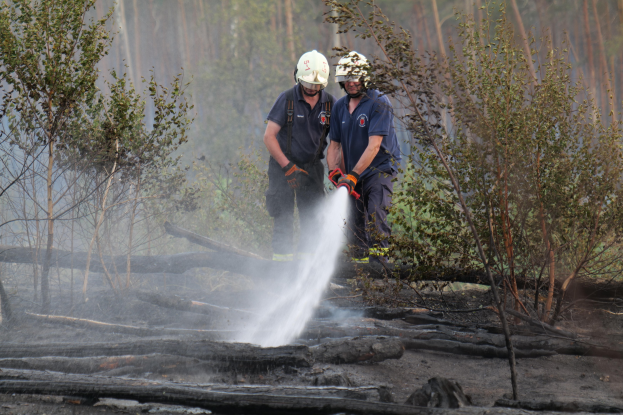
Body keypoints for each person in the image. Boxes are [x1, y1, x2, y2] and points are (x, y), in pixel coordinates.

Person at [327, 52, 401, 264]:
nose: (351, 83)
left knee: (376, 214)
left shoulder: (379, 102)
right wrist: (334, 171)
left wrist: (352, 176)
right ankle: (358, 279)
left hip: (379, 170)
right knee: (353, 223)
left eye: (355, 78)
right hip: (352, 174)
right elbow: (334, 146)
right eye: (347, 79)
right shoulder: (340, 107)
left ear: (366, 77)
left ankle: (378, 277)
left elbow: (374, 145)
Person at [264, 50, 336, 262]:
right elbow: (269, 137)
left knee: (313, 219)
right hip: (283, 167)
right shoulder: (286, 100)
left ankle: (306, 268)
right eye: (308, 84)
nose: (312, 88)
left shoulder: (330, 104)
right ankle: (281, 269)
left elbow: (337, 143)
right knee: (283, 217)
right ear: (298, 77)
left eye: (317, 85)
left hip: (312, 168)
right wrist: (287, 167)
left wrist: (336, 170)